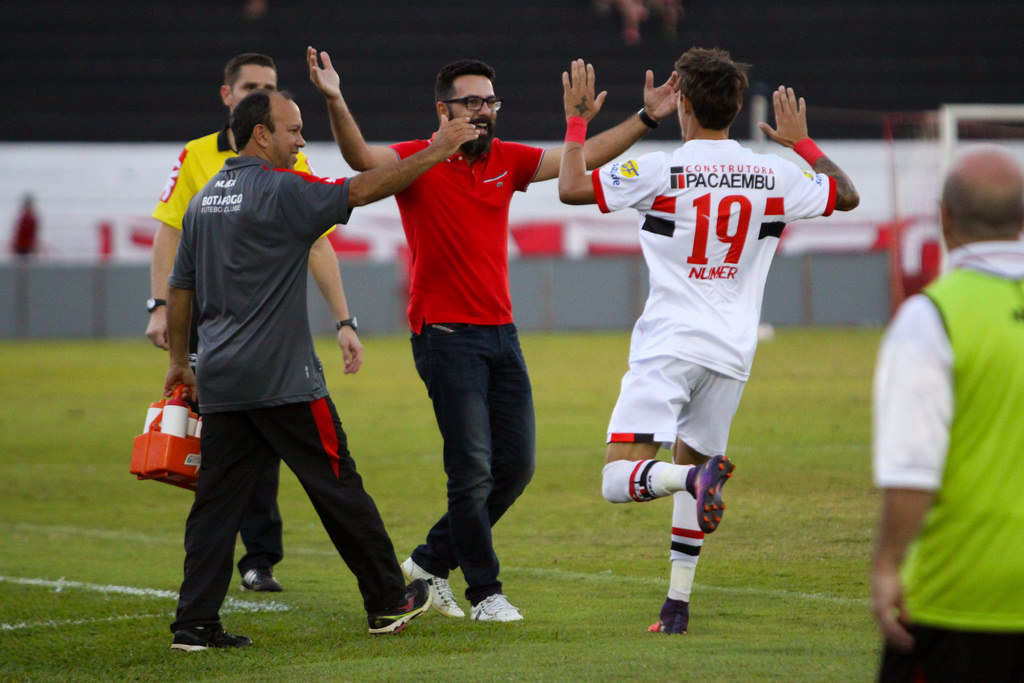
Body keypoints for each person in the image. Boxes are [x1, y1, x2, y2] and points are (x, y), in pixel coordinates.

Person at [308, 47, 680, 622]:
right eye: (471, 102)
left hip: (501, 335)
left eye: (490, 101)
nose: (484, 111)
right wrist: (334, 97)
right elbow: (360, 158)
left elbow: (579, 160)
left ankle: (430, 562)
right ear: (443, 109)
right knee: (471, 470)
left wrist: (648, 118)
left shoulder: (507, 160)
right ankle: (486, 593)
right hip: (444, 336)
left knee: (516, 466)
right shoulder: (419, 157)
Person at [164, 89, 480, 650]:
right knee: (340, 488)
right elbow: (361, 188)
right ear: (261, 134)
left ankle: (194, 623)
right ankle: (387, 601)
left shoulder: (205, 198)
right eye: (292, 130)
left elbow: (179, 288)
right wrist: (436, 150)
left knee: (216, 504)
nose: (301, 140)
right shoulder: (283, 190)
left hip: (221, 379)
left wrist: (179, 363)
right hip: (283, 378)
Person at [558, 48, 859, 634]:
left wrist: (577, 120)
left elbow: (571, 187)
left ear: (684, 106)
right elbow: (845, 195)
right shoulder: (773, 176)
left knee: (620, 481)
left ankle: (694, 481)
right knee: (693, 461)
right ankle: (676, 607)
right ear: (737, 107)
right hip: (732, 353)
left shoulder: (660, 170)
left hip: (669, 346)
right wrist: (801, 143)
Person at [148, 52, 363, 593]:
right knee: (286, 464)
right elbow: (170, 236)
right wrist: (160, 313)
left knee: (237, 464)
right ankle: (377, 589)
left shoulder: (290, 164)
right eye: (250, 86)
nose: (257, 92)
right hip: (229, 332)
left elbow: (316, 242)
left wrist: (344, 319)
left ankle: (247, 567)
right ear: (229, 97)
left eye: (267, 85)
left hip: (243, 338)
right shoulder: (198, 157)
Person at [871, 147, 1024, 681]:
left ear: (945, 218)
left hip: (957, 595)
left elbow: (913, 469)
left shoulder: (930, 318)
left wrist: (888, 563)